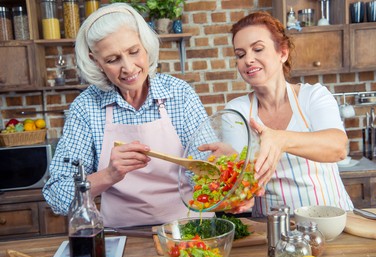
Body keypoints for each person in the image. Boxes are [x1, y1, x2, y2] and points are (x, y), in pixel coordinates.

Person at [42, 3, 213, 227]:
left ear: (145, 45)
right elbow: (57, 195)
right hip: (123, 236)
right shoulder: (86, 108)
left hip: (191, 230)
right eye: (113, 60)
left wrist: (219, 169)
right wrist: (108, 175)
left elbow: (206, 173)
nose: (129, 68)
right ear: (96, 62)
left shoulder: (180, 95)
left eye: (134, 52)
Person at [225, 11, 354, 216]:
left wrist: (281, 139)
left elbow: (338, 148)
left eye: (258, 49)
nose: (248, 59)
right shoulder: (236, 111)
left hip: (332, 223)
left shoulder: (313, 96)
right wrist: (235, 190)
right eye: (240, 54)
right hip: (271, 228)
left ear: (282, 53)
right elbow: (241, 175)